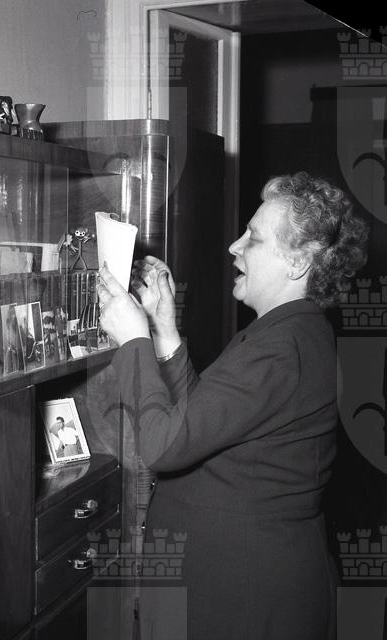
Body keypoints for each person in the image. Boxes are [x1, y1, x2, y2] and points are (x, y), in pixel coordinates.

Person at [96, 171, 369, 640]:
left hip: (242, 595)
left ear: (297, 262)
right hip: (239, 584)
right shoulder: (287, 333)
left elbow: (163, 446)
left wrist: (134, 341)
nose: (234, 246)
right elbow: (202, 422)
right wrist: (164, 330)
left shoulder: (281, 349)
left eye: (253, 238)